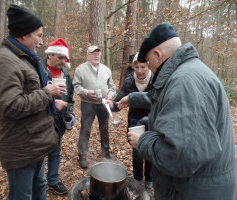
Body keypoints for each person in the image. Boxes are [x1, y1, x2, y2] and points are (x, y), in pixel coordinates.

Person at [117, 23, 237, 200]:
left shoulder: (184, 82)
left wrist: (143, 140)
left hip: (196, 191)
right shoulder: (189, 72)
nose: (149, 69)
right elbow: (176, 114)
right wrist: (139, 107)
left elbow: (181, 157)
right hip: (201, 185)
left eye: (149, 64)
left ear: (158, 55)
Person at [0, 4, 66, 200]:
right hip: (21, 146)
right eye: (38, 35)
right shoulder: (5, 61)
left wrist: (50, 104)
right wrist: (47, 94)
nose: (41, 41)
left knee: (39, 186)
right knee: (22, 195)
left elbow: (28, 96)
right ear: (23, 35)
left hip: (34, 143)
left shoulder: (25, 57)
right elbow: (9, 106)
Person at [105, 52, 153, 197]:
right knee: (137, 153)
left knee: (150, 152)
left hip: (152, 120)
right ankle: (138, 183)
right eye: (137, 67)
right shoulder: (128, 81)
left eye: (143, 67)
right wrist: (110, 104)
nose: (139, 71)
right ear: (133, 66)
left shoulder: (156, 80)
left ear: (148, 66)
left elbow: (158, 101)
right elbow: (119, 103)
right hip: (135, 122)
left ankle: (149, 184)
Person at [73, 45, 116, 169]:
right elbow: (76, 86)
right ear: (88, 56)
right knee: (85, 129)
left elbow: (112, 87)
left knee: (104, 128)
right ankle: (82, 155)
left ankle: (106, 152)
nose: (96, 56)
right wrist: (87, 92)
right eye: (93, 53)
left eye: (98, 53)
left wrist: (110, 95)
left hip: (103, 104)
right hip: (88, 104)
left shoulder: (106, 69)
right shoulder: (80, 69)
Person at [41, 38, 75, 195]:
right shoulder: (38, 70)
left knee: (55, 152)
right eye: (60, 57)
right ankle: (39, 182)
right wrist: (50, 103)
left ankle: (53, 181)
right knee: (39, 154)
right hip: (40, 122)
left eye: (64, 58)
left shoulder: (66, 75)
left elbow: (70, 98)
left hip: (58, 123)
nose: (63, 61)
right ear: (49, 54)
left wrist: (69, 112)